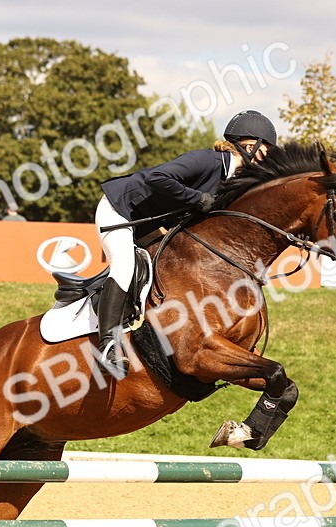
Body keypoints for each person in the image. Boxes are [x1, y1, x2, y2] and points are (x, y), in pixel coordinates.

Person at [94, 109, 278, 375]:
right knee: (124, 267)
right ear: (249, 145)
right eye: (266, 151)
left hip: (149, 221)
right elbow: (156, 178)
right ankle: (108, 344)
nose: (267, 158)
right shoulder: (207, 160)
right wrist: (197, 199)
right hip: (120, 209)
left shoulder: (232, 179)